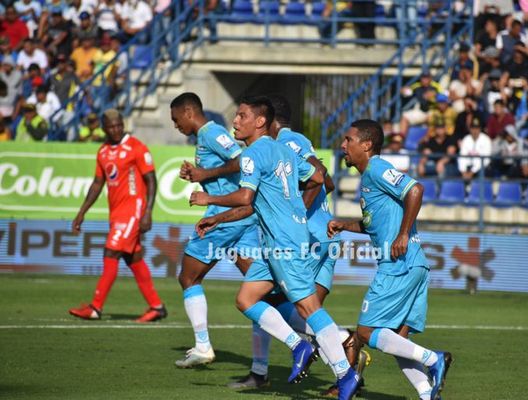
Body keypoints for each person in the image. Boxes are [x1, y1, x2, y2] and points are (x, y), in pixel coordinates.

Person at [190, 96, 360, 400]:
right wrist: (218, 219)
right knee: (246, 299)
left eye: (242, 116)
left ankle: (345, 374)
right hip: (278, 242)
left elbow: (244, 198)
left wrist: (209, 200)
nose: (235, 121)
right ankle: (299, 346)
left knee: (308, 308)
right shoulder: (282, 150)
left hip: (284, 242)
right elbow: (319, 177)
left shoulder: (253, 155)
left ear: (259, 122)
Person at [327, 119, 452, 400]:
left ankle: (434, 359)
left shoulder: (376, 169)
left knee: (367, 331)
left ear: (367, 145)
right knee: (397, 338)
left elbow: (415, 189)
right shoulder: (369, 179)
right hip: (414, 264)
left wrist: (403, 234)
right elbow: (375, 223)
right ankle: (427, 394)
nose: (343, 146)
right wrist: (346, 225)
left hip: (399, 264)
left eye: (348, 140)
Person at [169, 92, 266, 368]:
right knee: (259, 287)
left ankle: (202, 346)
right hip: (240, 218)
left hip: (224, 219)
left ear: (189, 112)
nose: (177, 126)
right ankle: (312, 336)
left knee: (188, 277)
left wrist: (205, 175)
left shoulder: (212, 133)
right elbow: (221, 170)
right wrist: (196, 173)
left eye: (177, 120)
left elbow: (243, 160)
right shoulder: (204, 138)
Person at [68, 109, 167, 322]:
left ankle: (95, 307)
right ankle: (157, 307)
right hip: (116, 213)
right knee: (133, 258)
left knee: (111, 252)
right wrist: (81, 212)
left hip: (133, 210)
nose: (116, 129)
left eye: (119, 125)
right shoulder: (103, 152)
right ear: (104, 128)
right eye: (111, 126)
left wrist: (148, 211)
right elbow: (97, 184)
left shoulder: (137, 147)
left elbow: (151, 180)